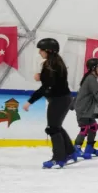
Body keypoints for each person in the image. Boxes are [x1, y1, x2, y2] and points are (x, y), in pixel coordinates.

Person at [22, 38, 75, 169]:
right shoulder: (57, 62)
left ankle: (58, 159)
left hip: (59, 100)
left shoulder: (50, 65)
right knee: (57, 126)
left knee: (53, 128)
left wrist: (30, 101)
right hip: (64, 98)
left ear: (48, 51)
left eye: (41, 50)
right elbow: (54, 81)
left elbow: (46, 87)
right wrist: (42, 76)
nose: (39, 52)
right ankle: (71, 152)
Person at [71, 58, 98, 159]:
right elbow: (97, 94)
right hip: (84, 109)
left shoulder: (90, 78)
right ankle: (76, 148)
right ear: (93, 69)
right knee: (85, 127)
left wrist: (72, 104)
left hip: (88, 109)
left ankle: (89, 148)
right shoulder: (91, 78)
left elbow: (81, 92)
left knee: (93, 127)